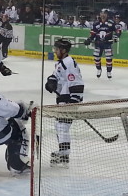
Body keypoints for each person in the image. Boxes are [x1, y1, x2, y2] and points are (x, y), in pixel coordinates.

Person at [45, 38, 84, 168]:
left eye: (57, 49)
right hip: (64, 98)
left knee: (62, 126)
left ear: (63, 51)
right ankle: (64, 154)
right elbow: (57, 75)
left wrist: (74, 100)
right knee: (60, 125)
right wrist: (51, 81)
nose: (55, 51)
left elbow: (77, 82)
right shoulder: (62, 62)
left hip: (69, 99)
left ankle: (64, 154)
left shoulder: (69, 63)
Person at [84, 9, 121, 79]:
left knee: (109, 58)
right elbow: (92, 33)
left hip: (107, 43)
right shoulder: (96, 23)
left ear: (107, 15)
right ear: (100, 14)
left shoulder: (111, 23)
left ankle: (109, 71)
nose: (103, 15)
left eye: (105, 14)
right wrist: (89, 39)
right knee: (96, 58)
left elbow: (118, 30)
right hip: (98, 44)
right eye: (101, 13)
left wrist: (116, 36)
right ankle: (98, 69)